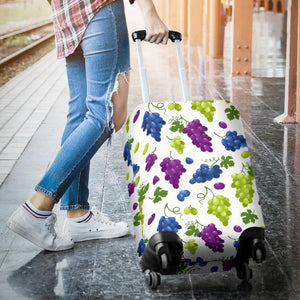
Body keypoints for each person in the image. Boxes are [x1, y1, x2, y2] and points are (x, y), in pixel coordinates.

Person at [7, 0, 169, 251]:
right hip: (100, 8)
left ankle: (77, 214)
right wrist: (150, 13)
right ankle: (37, 207)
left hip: (67, 14)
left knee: (80, 112)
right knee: (104, 115)